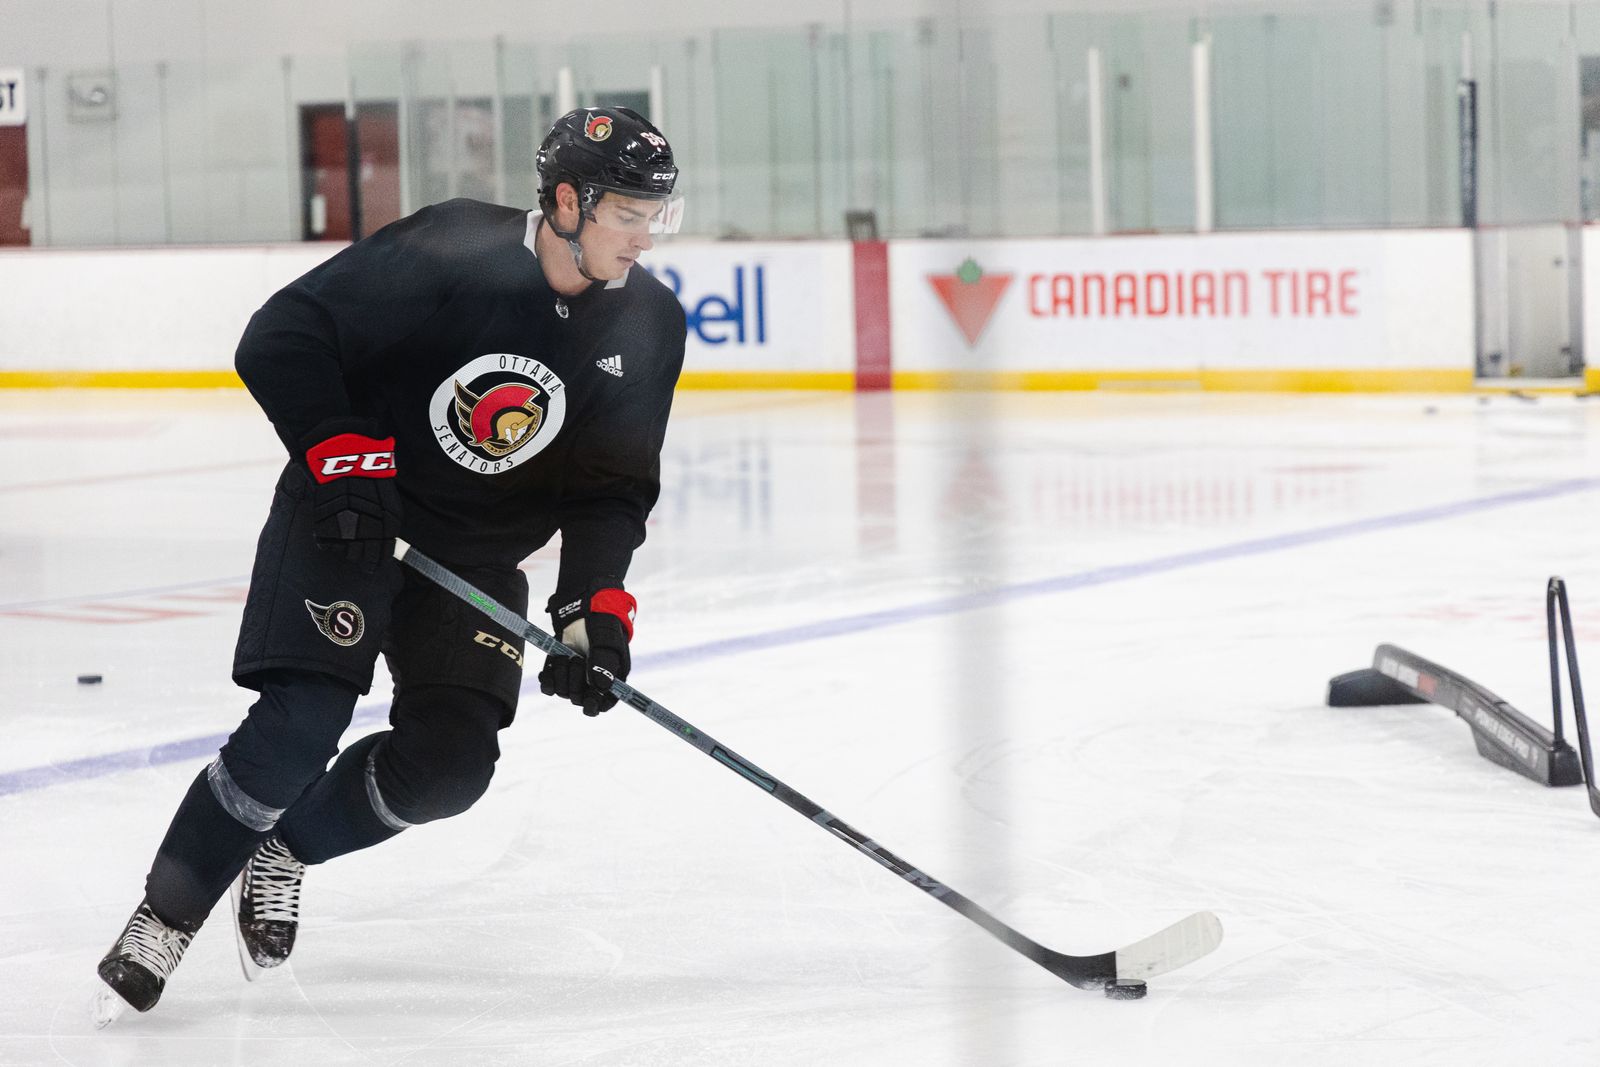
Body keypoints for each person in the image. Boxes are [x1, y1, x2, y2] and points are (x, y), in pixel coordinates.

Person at [93, 106, 688, 1022]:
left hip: (474, 558)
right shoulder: (452, 248)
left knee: (450, 768)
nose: (645, 238)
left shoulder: (648, 322)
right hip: (353, 516)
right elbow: (283, 334)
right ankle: (166, 915)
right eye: (630, 215)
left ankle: (287, 848)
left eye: (657, 216)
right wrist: (344, 457)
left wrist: (592, 611)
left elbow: (611, 489)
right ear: (568, 202)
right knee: (299, 727)